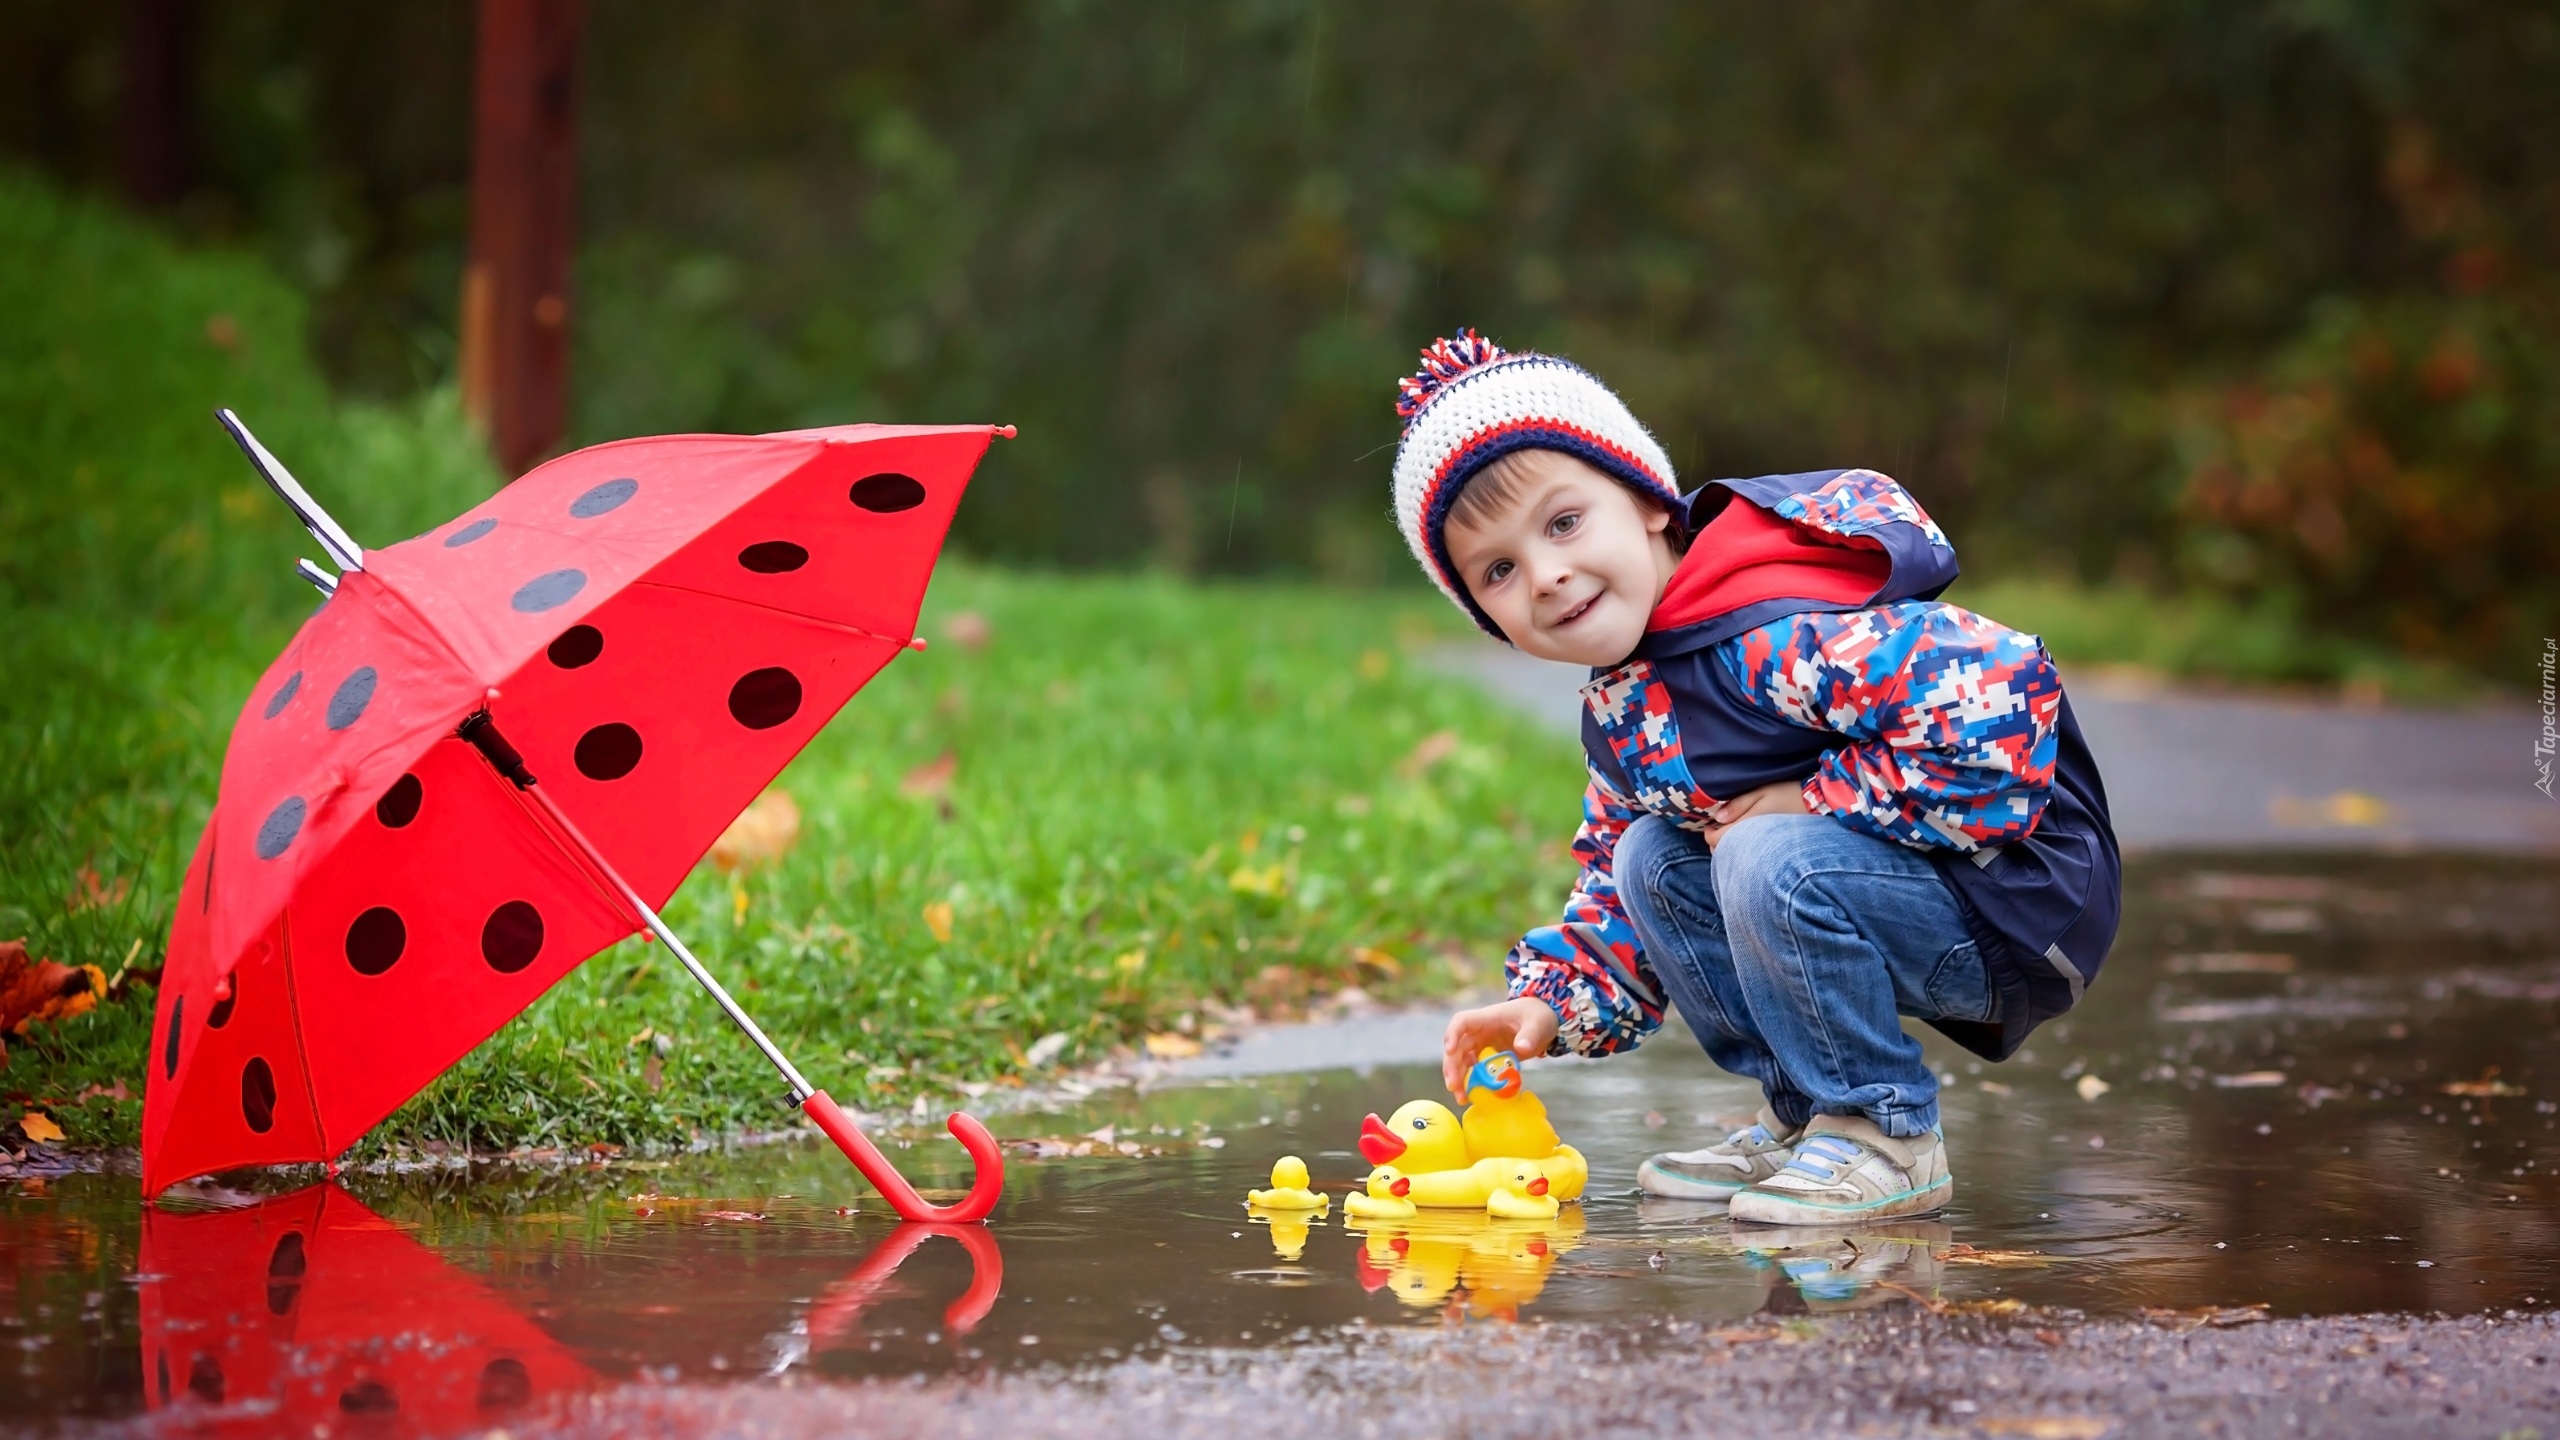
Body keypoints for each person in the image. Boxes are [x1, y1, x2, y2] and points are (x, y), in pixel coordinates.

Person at [1390, 331, 2119, 1224]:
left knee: (1763, 849)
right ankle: (1809, 1118)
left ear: (1649, 503)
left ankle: (1885, 1132)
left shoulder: (1775, 630)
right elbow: (1618, 885)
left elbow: (2006, 696)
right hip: (1886, 889)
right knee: (1652, 854)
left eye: (1565, 522)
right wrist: (1549, 1004)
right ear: (1486, 615)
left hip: (2014, 901)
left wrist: (1814, 800)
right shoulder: (1628, 706)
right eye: (1498, 570)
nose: (1546, 575)